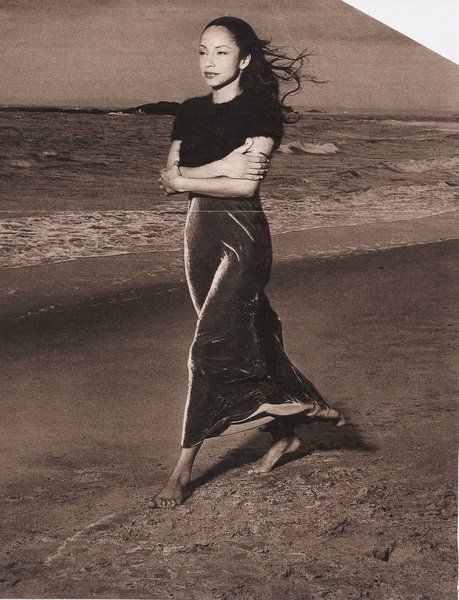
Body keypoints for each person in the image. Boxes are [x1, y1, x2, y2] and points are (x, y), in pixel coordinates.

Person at [151, 16, 345, 509]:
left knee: (207, 344)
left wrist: (189, 178)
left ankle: (182, 470)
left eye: (220, 52)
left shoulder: (261, 112)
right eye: (202, 52)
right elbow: (168, 178)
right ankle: (289, 430)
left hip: (243, 235)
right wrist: (214, 168)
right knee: (248, 333)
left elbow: (245, 187)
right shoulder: (190, 111)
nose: (208, 62)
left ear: (244, 59)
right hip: (198, 234)